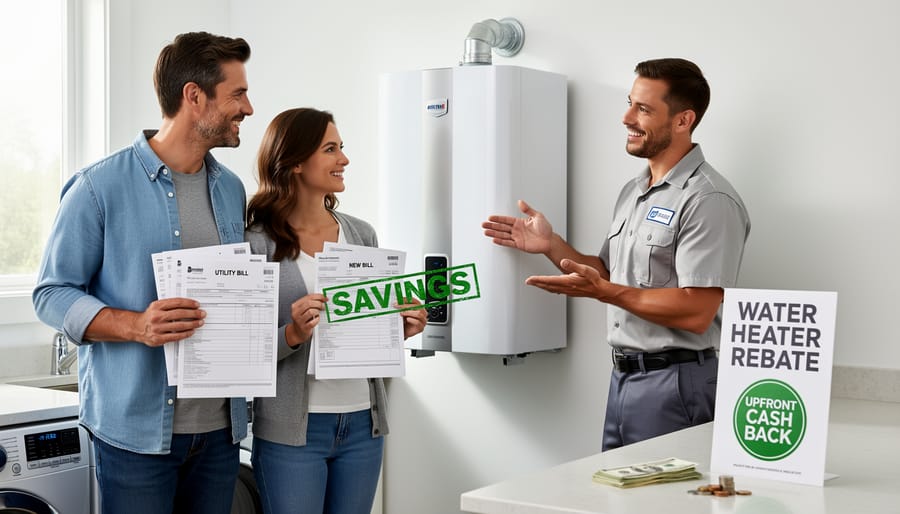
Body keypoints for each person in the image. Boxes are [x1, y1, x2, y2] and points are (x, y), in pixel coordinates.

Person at [32, 32, 254, 513]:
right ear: (194, 97)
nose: (248, 108)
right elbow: (51, 293)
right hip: (134, 437)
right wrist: (136, 325)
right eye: (237, 94)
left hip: (220, 434)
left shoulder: (232, 189)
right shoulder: (97, 187)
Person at [483, 58, 751, 451]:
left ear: (683, 120)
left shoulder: (708, 199)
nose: (627, 117)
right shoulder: (634, 190)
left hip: (676, 383)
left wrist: (605, 292)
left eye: (643, 109)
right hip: (624, 381)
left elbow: (697, 311)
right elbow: (607, 274)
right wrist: (552, 245)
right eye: (630, 103)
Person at [245, 107, 427, 514]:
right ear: (293, 162)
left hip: (363, 424)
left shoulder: (362, 234)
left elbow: (369, 331)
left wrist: (400, 329)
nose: (344, 159)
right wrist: (292, 334)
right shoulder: (255, 243)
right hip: (293, 433)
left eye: (341, 148)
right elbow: (241, 349)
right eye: (331, 149)